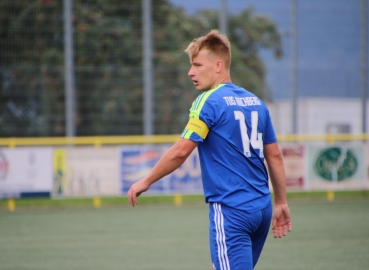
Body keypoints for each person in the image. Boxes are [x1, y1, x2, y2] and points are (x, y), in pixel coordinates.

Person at [127, 29, 292, 270]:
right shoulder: (256, 103)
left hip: (232, 211)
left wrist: (146, 180)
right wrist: (281, 202)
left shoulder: (208, 102)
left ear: (217, 66)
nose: (190, 72)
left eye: (197, 65)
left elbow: (181, 151)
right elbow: (274, 155)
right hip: (262, 209)